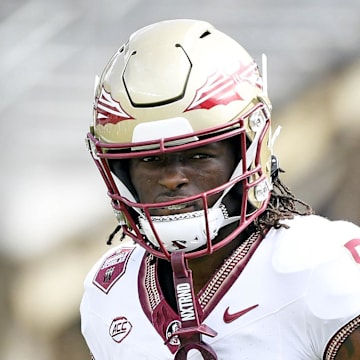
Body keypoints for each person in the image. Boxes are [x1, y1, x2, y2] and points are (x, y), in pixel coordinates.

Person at [80, 19, 360, 359]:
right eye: (151, 161)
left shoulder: (323, 266)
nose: (172, 179)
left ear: (247, 149)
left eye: (199, 154)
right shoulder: (109, 293)